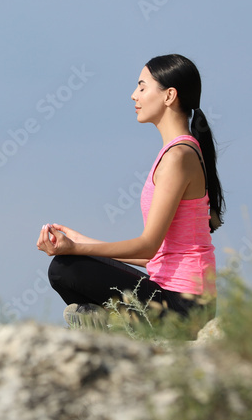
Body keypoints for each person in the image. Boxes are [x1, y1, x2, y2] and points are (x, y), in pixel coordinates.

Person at [35, 54, 224, 326]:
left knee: (65, 269)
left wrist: (78, 249)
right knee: (69, 262)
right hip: (169, 294)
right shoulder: (177, 152)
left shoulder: (178, 156)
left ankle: (115, 328)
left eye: (142, 87)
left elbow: (148, 247)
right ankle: (115, 326)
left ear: (169, 95)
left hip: (185, 305)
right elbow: (154, 255)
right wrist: (79, 243)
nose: (134, 95)